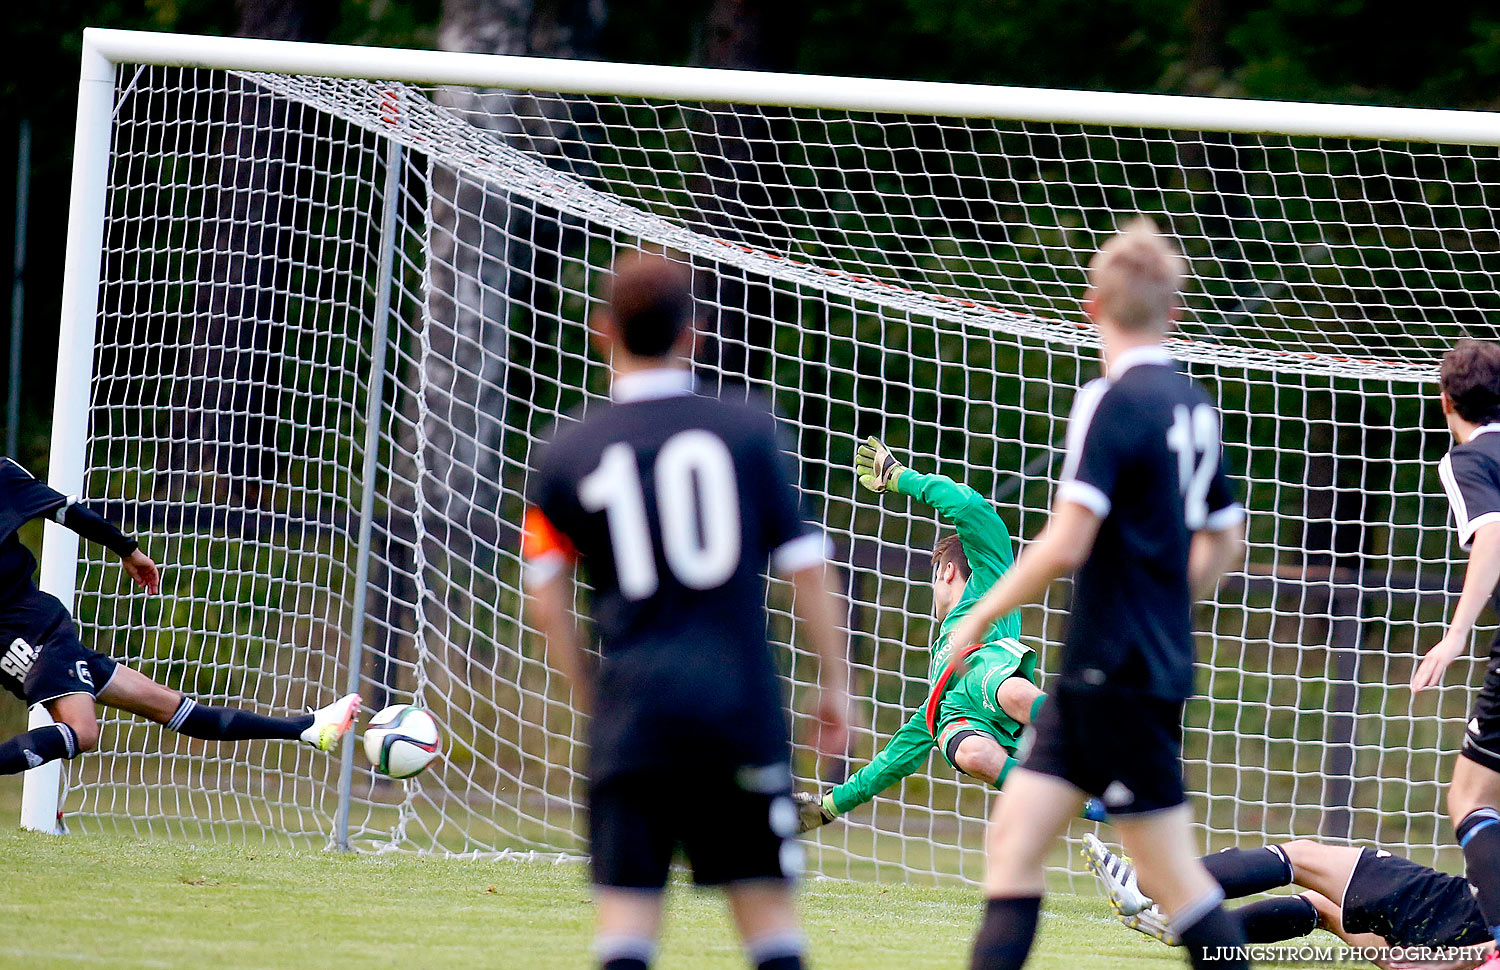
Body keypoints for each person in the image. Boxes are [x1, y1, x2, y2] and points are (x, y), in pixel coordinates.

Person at [522, 253, 851, 970]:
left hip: (634, 711)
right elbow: (807, 568)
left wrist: (593, 697)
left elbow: (545, 598)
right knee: (769, 923)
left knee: (627, 933)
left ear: (601, 330)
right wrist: (836, 684)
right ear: (693, 333)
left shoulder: (566, 449)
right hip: (737, 708)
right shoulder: (749, 430)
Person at [949, 218, 1249, 970]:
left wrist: (979, 613)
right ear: (1173, 312)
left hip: (1107, 670)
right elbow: (1224, 538)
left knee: (1172, 882)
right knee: (1019, 843)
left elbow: (1066, 541)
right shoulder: (1195, 406)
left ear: (1092, 306)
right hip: (1142, 668)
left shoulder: (1108, 400)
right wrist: (1170, 605)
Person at [793, 439, 1104, 832]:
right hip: (968, 725)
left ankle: (1100, 747)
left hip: (1001, 687)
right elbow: (899, 756)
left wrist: (901, 478)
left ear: (946, 573)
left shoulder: (991, 584)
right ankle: (1093, 803)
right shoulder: (940, 679)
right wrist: (831, 805)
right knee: (973, 754)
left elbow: (970, 507)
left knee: (1002, 685)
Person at [0, 457, 359, 777]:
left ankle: (307, 728)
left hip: (26, 626)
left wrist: (126, 548)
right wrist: (128, 549)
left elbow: (63, 510)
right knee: (84, 731)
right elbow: (68, 511)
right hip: (28, 626)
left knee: (165, 702)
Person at [1410, 338, 1500, 970]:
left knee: (1469, 797)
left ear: (1446, 402)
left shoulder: (1468, 457)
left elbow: (1493, 532)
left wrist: (1458, 632)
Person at [1084, 832, 1497, 970]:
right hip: (1460, 934)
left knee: (1302, 857)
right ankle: (1194, 928)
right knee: (1322, 906)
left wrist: (1459, 955)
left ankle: (1150, 885)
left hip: (1459, 919)